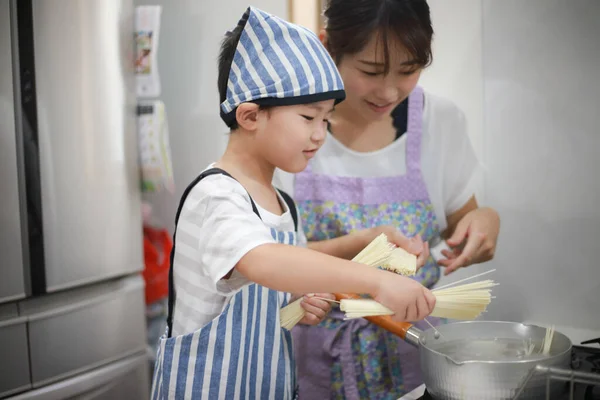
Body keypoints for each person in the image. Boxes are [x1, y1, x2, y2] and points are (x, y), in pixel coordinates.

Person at [150, 6, 436, 400]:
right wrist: (377, 280)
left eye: (326, 119)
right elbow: (263, 261)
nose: (320, 134)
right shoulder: (217, 195)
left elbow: (288, 264)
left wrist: (361, 248)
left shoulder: (282, 203)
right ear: (250, 116)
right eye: (307, 117)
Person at [274, 0, 501, 398]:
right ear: (328, 47)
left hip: (416, 350)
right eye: (371, 71)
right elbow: (266, 260)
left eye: (409, 70)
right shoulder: (291, 128)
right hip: (315, 361)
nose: (389, 91)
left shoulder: (439, 121)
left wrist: (485, 222)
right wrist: (366, 247)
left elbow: (462, 221)